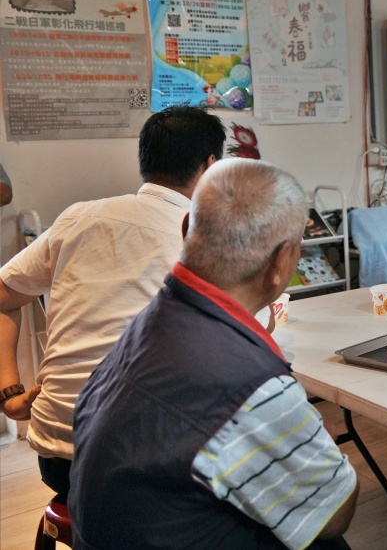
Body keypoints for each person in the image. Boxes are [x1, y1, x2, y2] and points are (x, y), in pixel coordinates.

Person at [69, 159, 359, 549]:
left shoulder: (148, 323)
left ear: (186, 228)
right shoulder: (252, 384)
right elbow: (335, 513)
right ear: (281, 263)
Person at [0, 106, 226, 497]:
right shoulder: (203, 237)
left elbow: (3, 297)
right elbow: (245, 338)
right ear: (210, 165)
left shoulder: (78, 217)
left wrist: (8, 393)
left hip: (58, 459)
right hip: (150, 467)